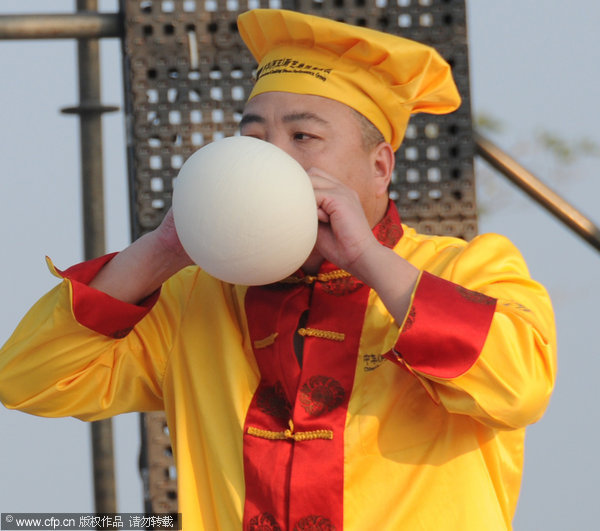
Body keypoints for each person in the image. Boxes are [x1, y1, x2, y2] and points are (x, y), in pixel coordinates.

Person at [0, 8, 556, 531]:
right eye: (255, 138)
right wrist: (164, 247)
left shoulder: (469, 266)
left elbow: (520, 388)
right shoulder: (194, 297)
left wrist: (367, 259)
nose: (273, 158)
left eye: (303, 136)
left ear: (380, 165)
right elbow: (27, 380)